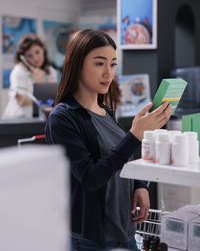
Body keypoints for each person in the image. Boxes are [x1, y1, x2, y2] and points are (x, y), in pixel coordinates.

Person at [45, 29, 172, 251]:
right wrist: (134, 135)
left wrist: (140, 186)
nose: (108, 73)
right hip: (92, 240)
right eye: (99, 63)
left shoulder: (106, 111)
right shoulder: (62, 118)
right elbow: (90, 178)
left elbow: (120, 158)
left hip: (125, 231)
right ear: (77, 64)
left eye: (113, 64)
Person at [2, 33, 57, 119]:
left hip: (42, 118)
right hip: (18, 118)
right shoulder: (19, 71)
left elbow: (53, 99)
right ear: (24, 58)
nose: (35, 58)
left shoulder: (50, 71)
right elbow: (21, 101)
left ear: (43, 50)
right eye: (30, 56)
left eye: (37, 52)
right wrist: (39, 84)